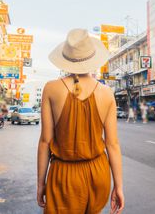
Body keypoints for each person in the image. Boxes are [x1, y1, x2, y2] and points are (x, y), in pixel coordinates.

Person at [37, 29, 124, 214]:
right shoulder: (107, 93)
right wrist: (119, 186)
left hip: (63, 177)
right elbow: (113, 144)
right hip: (98, 174)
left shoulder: (51, 89)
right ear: (92, 60)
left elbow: (45, 142)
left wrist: (40, 183)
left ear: (66, 59)